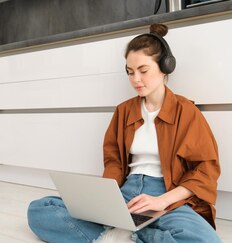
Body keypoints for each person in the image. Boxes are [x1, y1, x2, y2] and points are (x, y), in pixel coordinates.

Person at [27, 23, 221, 243]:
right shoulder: (123, 111)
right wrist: (104, 202)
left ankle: (124, 236)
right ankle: (117, 235)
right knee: (40, 210)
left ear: (165, 67)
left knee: (207, 241)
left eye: (143, 71)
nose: (136, 79)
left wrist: (162, 201)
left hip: (167, 196)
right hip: (126, 192)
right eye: (130, 72)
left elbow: (205, 170)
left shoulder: (186, 111)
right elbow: (114, 162)